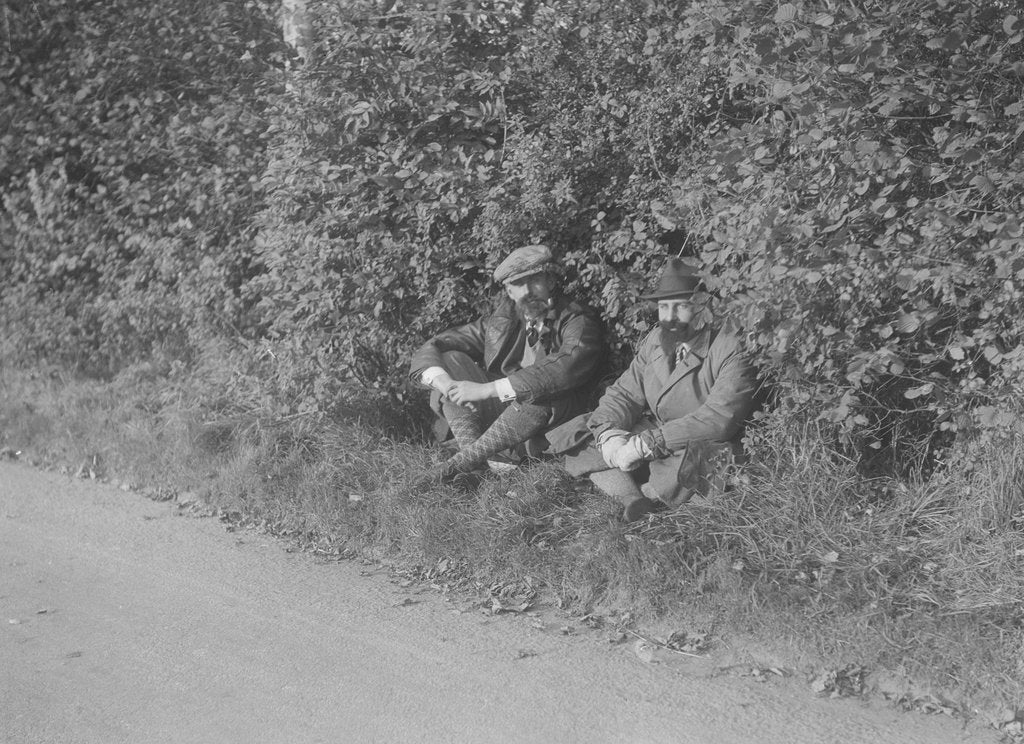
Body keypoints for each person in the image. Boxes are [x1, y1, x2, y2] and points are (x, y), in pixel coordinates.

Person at [547, 258, 762, 521]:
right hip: (658, 429)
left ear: (704, 305)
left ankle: (651, 493)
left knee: (703, 461)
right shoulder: (655, 340)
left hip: (702, 439)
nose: (669, 317)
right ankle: (634, 499)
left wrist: (648, 444)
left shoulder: (731, 345)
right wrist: (610, 435)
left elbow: (719, 419)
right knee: (584, 432)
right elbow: (624, 392)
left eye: (680, 306)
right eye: (663, 307)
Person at [409, 244, 606, 484]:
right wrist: (445, 383)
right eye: (518, 285)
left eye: (535, 281)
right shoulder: (501, 322)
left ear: (550, 282)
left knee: (537, 392)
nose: (528, 291)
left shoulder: (577, 318)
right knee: (451, 361)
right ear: (509, 292)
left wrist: (486, 390)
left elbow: (564, 369)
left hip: (551, 417)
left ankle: (458, 464)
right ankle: (477, 468)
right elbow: (435, 345)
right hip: (504, 418)